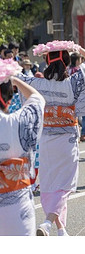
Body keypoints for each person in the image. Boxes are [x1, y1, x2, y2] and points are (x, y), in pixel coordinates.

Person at [19, 40, 85, 236]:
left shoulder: (37, 83)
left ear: (47, 62)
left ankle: (61, 230)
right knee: (65, 184)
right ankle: (48, 222)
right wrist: (77, 49)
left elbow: (17, 78)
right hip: (67, 139)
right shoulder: (73, 82)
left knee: (49, 183)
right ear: (67, 61)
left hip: (46, 139)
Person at [0, 59, 45, 236]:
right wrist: (16, 79)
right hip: (16, 205)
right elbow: (38, 99)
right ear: (9, 99)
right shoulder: (17, 122)